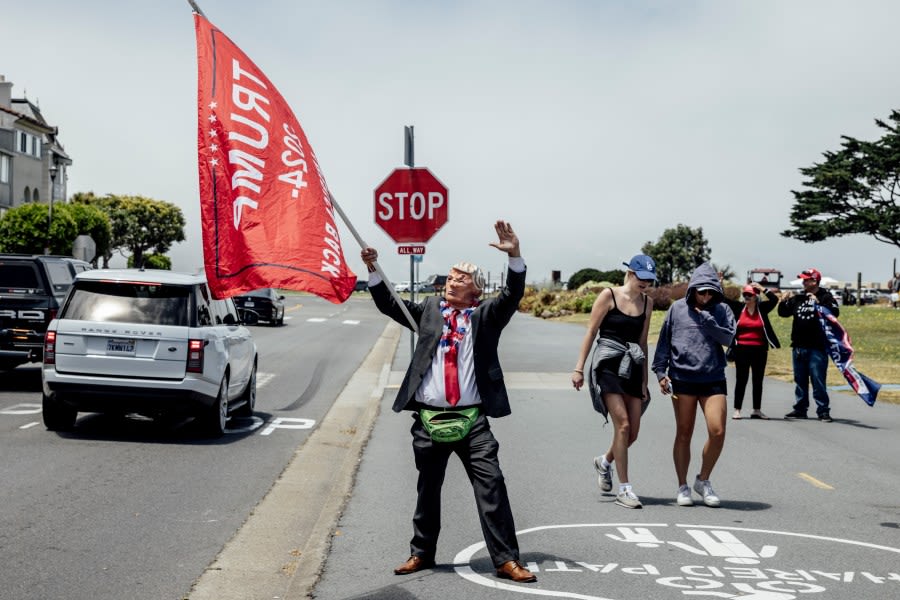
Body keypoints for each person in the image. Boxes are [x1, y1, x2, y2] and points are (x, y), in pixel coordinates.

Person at [360, 220, 537, 584]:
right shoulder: (427, 310)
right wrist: (373, 269)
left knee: (492, 485)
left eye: (462, 277)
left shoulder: (485, 316)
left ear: (476, 289)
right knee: (428, 488)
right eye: (452, 276)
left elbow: (512, 295)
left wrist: (515, 256)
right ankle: (421, 553)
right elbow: (390, 304)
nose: (453, 280)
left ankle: (506, 559)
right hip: (428, 419)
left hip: (472, 421)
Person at [572, 254, 656, 509]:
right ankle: (625, 489)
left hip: (632, 367)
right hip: (607, 366)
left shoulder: (648, 303)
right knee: (623, 426)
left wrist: (644, 381)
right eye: (642, 278)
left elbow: (642, 343)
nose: (646, 284)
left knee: (632, 434)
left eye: (650, 280)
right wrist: (578, 368)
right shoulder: (608, 295)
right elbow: (591, 331)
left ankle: (604, 462)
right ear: (631, 273)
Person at [652, 262, 736, 507]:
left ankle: (703, 479)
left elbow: (729, 339)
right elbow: (664, 341)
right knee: (684, 433)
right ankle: (682, 486)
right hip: (682, 379)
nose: (706, 296)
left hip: (713, 379)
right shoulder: (677, 309)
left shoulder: (721, 310)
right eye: (701, 291)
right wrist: (660, 372)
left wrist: (710, 322)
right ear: (692, 290)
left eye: (711, 292)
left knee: (717, 431)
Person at [777, 268, 840, 422]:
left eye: (806, 280)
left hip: (817, 347)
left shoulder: (826, 296)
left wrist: (818, 303)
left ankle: (823, 410)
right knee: (800, 380)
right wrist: (783, 301)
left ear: (814, 281)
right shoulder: (800, 298)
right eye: (803, 280)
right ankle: (800, 408)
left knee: (818, 380)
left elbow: (834, 313)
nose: (803, 282)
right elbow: (783, 313)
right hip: (798, 346)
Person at [723, 283, 781, 420]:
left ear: (756, 297)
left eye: (750, 295)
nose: (746, 297)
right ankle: (737, 410)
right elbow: (723, 299)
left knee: (758, 380)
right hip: (742, 349)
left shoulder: (762, 309)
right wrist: (719, 283)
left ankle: (756, 410)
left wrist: (762, 288)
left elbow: (774, 300)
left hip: (760, 350)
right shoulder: (738, 308)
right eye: (745, 294)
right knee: (741, 379)